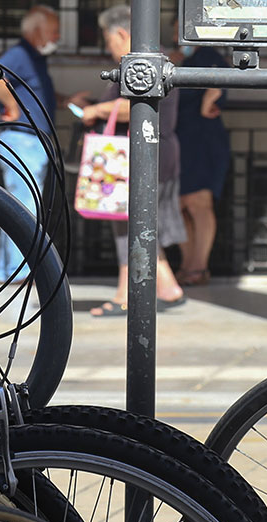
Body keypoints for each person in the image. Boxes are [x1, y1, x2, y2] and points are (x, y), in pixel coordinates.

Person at [83, 5, 186, 317]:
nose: (109, 47)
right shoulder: (160, 59)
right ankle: (167, 287)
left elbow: (140, 107)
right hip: (159, 152)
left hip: (143, 156)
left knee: (131, 224)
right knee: (145, 224)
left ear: (122, 33)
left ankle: (126, 294)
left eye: (109, 40)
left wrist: (98, 111)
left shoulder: (142, 63)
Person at [0, 5, 88, 284]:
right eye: (54, 30)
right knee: (23, 210)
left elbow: (37, 92)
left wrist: (67, 101)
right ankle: (18, 273)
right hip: (22, 140)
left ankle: (14, 270)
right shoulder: (20, 54)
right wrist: (10, 105)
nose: (57, 36)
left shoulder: (35, 59)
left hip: (34, 141)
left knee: (24, 208)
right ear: (36, 30)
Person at [171, 42, 230, 286]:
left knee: (199, 204)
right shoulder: (179, 60)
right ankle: (188, 266)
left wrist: (207, 103)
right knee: (180, 205)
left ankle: (198, 266)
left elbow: (219, 84)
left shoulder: (208, 55)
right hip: (181, 139)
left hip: (202, 140)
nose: (177, 36)